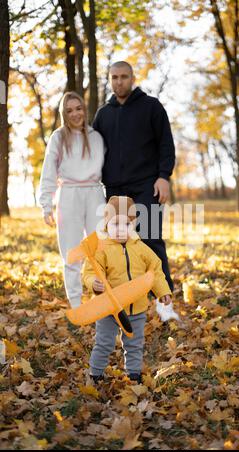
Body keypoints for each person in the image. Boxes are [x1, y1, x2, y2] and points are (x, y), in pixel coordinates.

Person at [92, 61, 175, 292]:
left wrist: (163, 176)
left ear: (133, 78)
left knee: (149, 239)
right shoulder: (103, 114)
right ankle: (130, 293)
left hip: (147, 185)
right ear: (110, 80)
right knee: (118, 244)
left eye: (124, 77)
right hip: (114, 189)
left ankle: (163, 296)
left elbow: (166, 144)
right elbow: (94, 150)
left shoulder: (151, 107)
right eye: (115, 77)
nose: (119, 82)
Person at [82, 196, 172, 384]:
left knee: (134, 344)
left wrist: (162, 291)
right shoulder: (102, 249)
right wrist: (93, 283)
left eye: (126, 223)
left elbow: (155, 270)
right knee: (104, 343)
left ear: (134, 224)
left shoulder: (141, 249)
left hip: (136, 309)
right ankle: (95, 374)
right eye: (115, 224)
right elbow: (90, 272)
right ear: (106, 225)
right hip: (109, 309)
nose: (121, 228)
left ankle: (133, 375)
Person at [39, 91, 106, 308]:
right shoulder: (58, 137)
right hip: (68, 194)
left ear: (84, 110)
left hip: (95, 193)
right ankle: (76, 303)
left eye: (78, 108)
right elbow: (48, 171)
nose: (75, 114)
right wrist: (46, 204)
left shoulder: (96, 137)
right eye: (69, 110)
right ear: (63, 114)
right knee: (71, 250)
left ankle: (102, 295)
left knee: (100, 247)